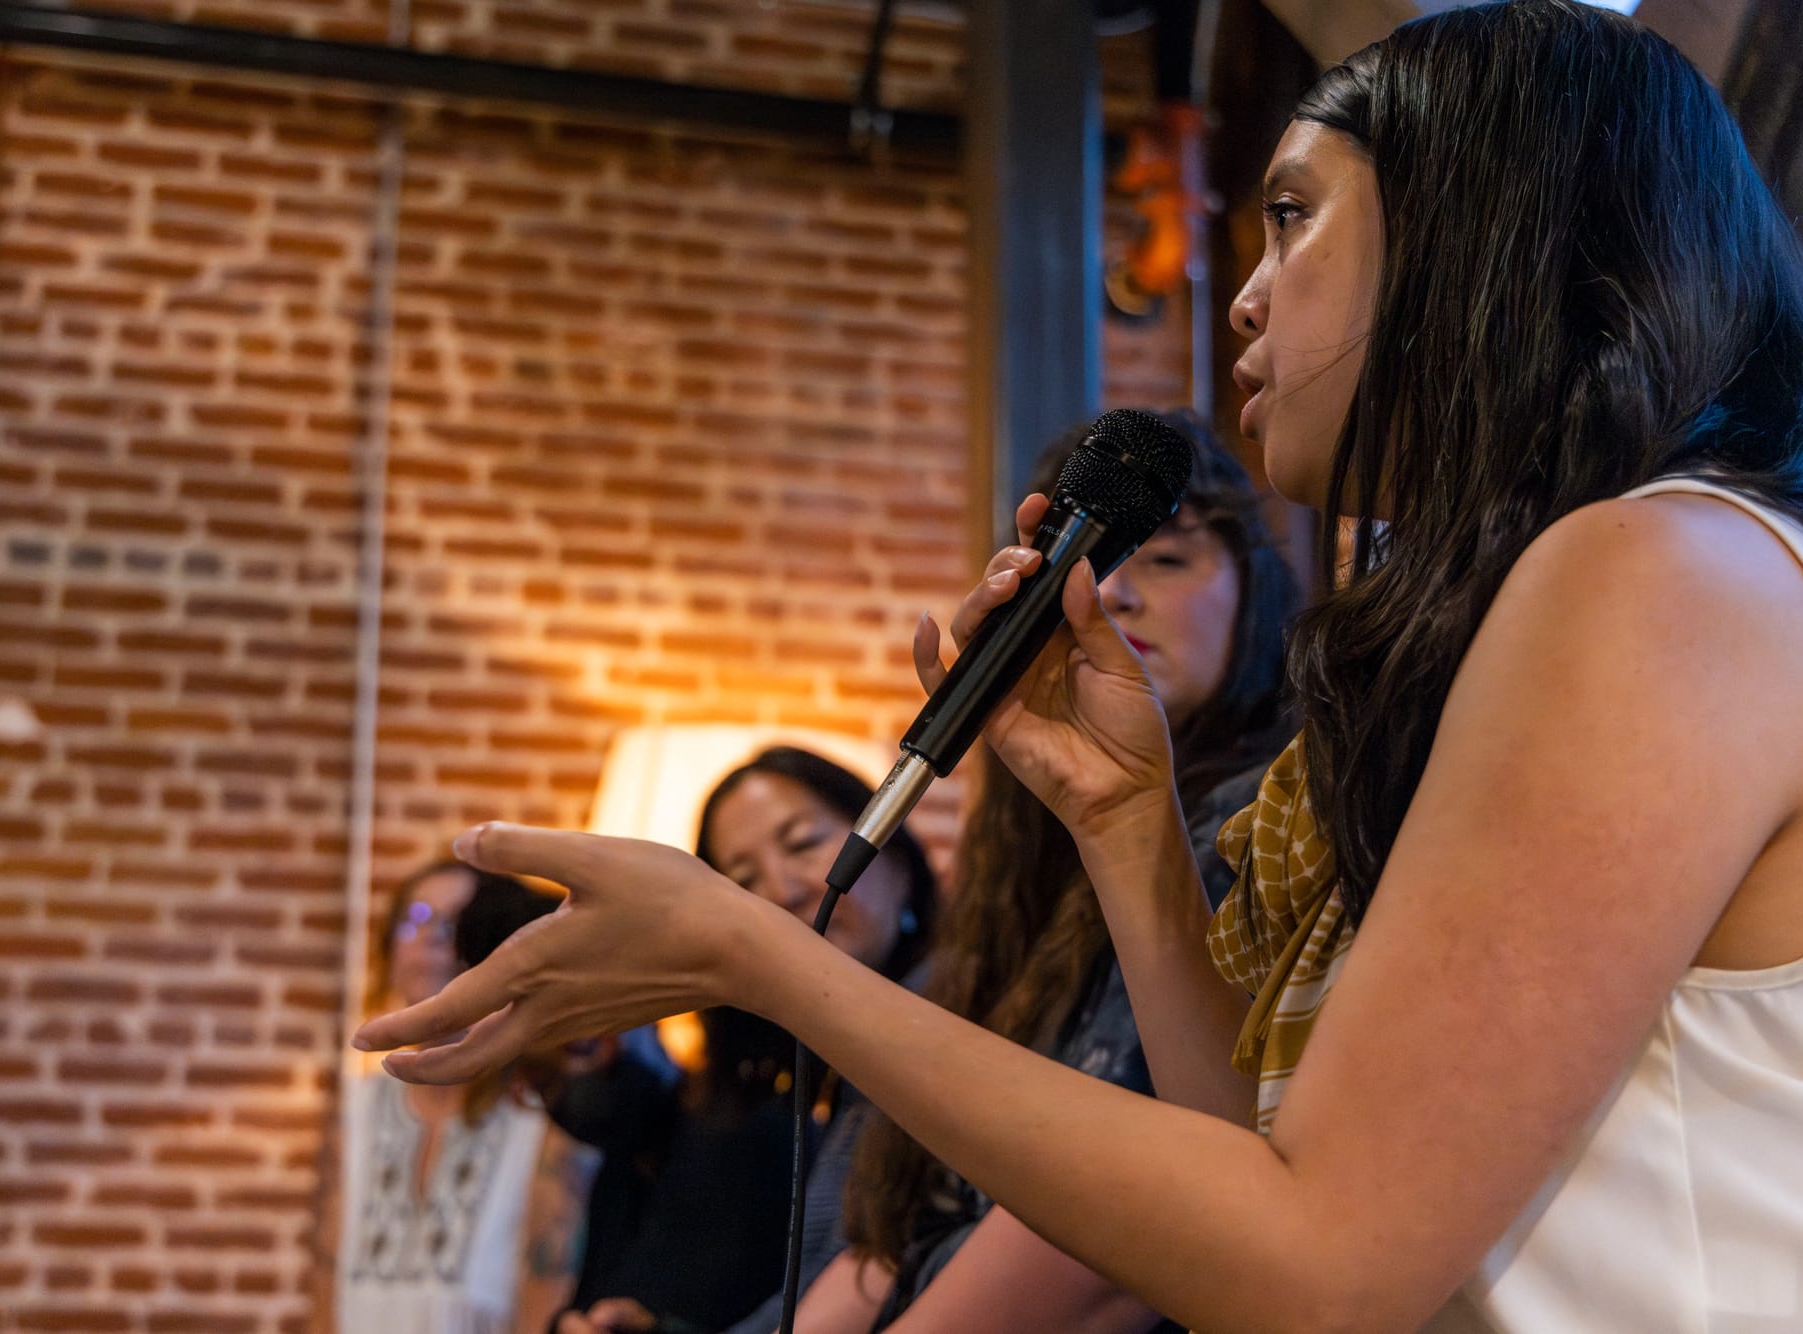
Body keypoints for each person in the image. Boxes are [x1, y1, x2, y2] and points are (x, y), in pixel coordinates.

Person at [359, 3, 1803, 1329]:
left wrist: (762, 953)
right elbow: (1256, 1172)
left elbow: (1323, 1269)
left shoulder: (1660, 569)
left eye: (1294, 216)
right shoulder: (1614, 584)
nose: (1243, 297)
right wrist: (1128, 821)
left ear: (1475, 231)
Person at [792, 419, 1298, 1334]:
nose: (1113, 597)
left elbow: (1136, 1211)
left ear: (1253, 588)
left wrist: (761, 960)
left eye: (1170, 562)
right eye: (1083, 567)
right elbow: (890, 1235)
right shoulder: (1017, 876)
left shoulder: (1262, 817)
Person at [551, 747, 938, 1334]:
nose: (782, 891)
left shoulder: (955, 1019)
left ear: (897, 853)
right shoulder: (787, 1074)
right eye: (745, 880)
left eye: (804, 842)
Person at [339, 861, 594, 1334]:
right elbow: (322, 1280)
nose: (435, 938)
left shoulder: (545, 1114)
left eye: (458, 924)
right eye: (416, 917)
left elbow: (543, 1302)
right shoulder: (355, 1112)